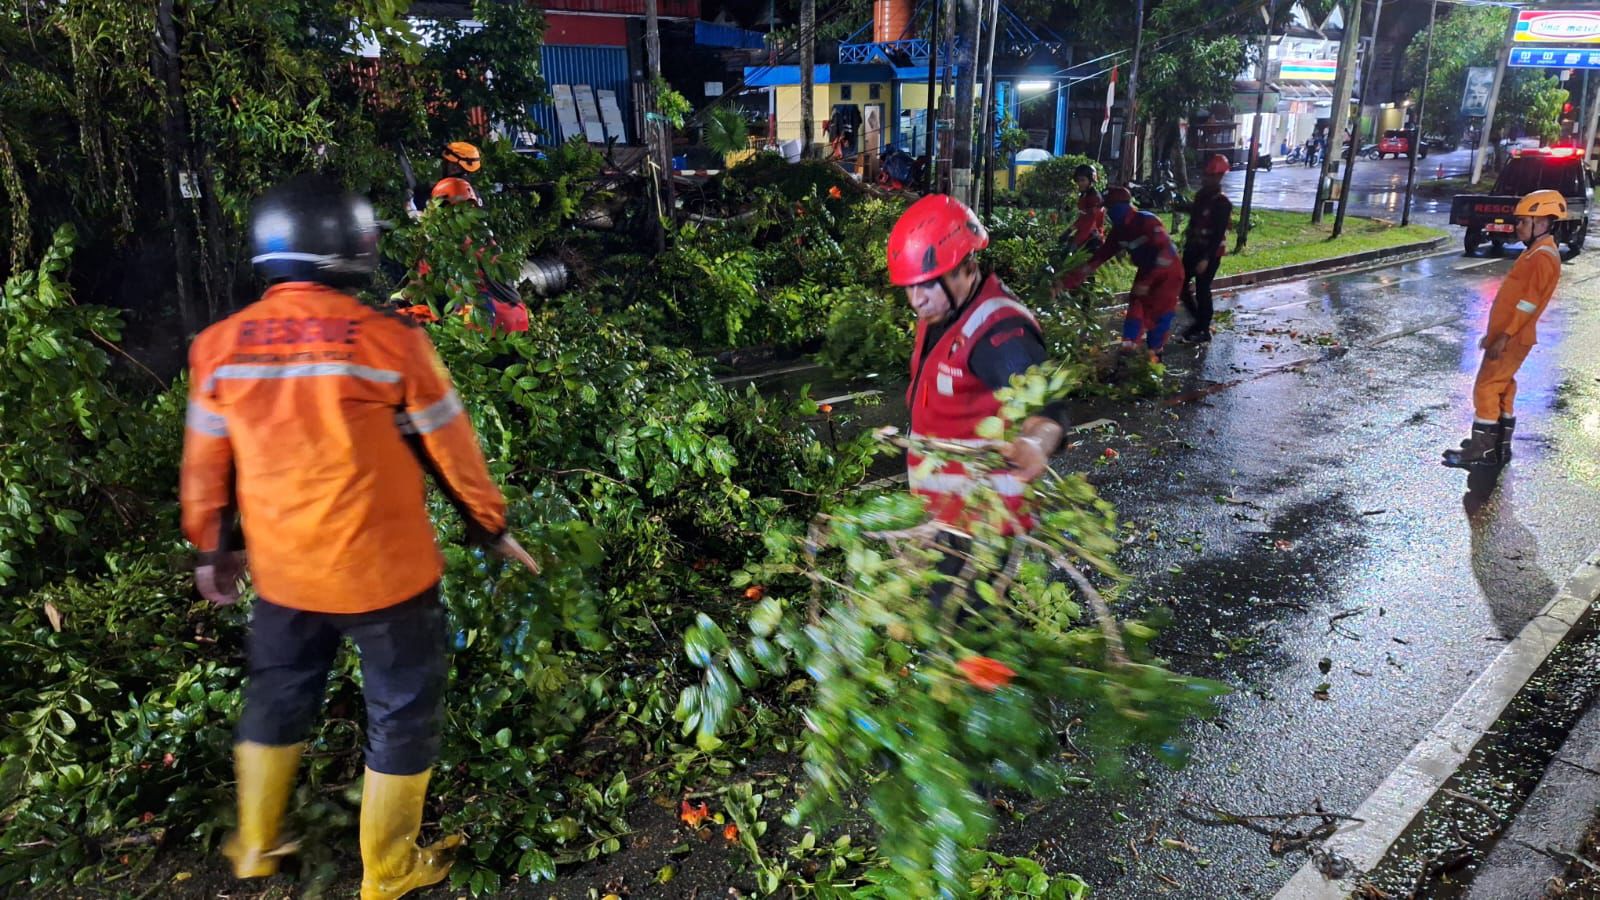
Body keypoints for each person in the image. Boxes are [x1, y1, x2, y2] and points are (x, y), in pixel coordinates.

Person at [182, 174, 537, 900]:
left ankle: (254, 844)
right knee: (402, 710)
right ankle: (389, 871)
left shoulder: (218, 349)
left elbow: (205, 469)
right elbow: (453, 451)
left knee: (277, 695)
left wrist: (211, 551)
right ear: (352, 249)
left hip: (284, 576)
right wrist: (489, 525)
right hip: (388, 577)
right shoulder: (388, 342)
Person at [885, 195, 1067, 605]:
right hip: (948, 517)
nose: (917, 300)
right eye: (911, 287)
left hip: (984, 527)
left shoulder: (1000, 333)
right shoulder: (942, 313)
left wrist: (1037, 440)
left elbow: (1046, 408)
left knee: (966, 644)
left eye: (929, 283)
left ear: (967, 266)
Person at [1443, 190, 1565, 470]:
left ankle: (1481, 450)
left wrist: (1504, 335)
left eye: (1523, 221)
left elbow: (1528, 304)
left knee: (1486, 387)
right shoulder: (1536, 251)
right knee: (1503, 386)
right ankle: (1498, 445)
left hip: (1512, 337)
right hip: (1507, 334)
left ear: (1543, 223)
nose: (1517, 227)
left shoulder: (1543, 256)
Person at [1056, 186, 1184, 363]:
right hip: (1146, 271)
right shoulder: (1118, 232)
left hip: (1168, 274)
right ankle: (1128, 349)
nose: (1108, 213)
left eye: (1110, 208)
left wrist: (1147, 282)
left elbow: (1166, 254)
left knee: (1159, 316)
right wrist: (1066, 282)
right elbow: (1097, 259)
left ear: (1122, 206)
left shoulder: (1147, 222)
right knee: (1135, 307)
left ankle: (1155, 356)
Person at [417, 177, 530, 334]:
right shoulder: (483, 238)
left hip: (492, 320)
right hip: (516, 319)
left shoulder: (461, 243)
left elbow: (421, 285)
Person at [1179, 154, 1234, 343]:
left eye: (1212, 176)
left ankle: (1203, 328)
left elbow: (1218, 234)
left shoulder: (1222, 203)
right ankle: (1198, 321)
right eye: (1207, 176)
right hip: (1193, 247)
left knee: (1203, 288)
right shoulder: (1202, 196)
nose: (1208, 179)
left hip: (1209, 252)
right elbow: (1195, 218)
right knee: (1181, 284)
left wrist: (1206, 258)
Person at [1069, 163, 1105, 253]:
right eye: (1078, 180)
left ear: (1091, 181)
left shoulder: (1095, 198)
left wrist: (1075, 242)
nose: (1079, 183)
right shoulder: (1084, 195)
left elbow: (1090, 222)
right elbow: (1082, 218)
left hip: (1091, 239)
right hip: (1084, 235)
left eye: (1083, 180)